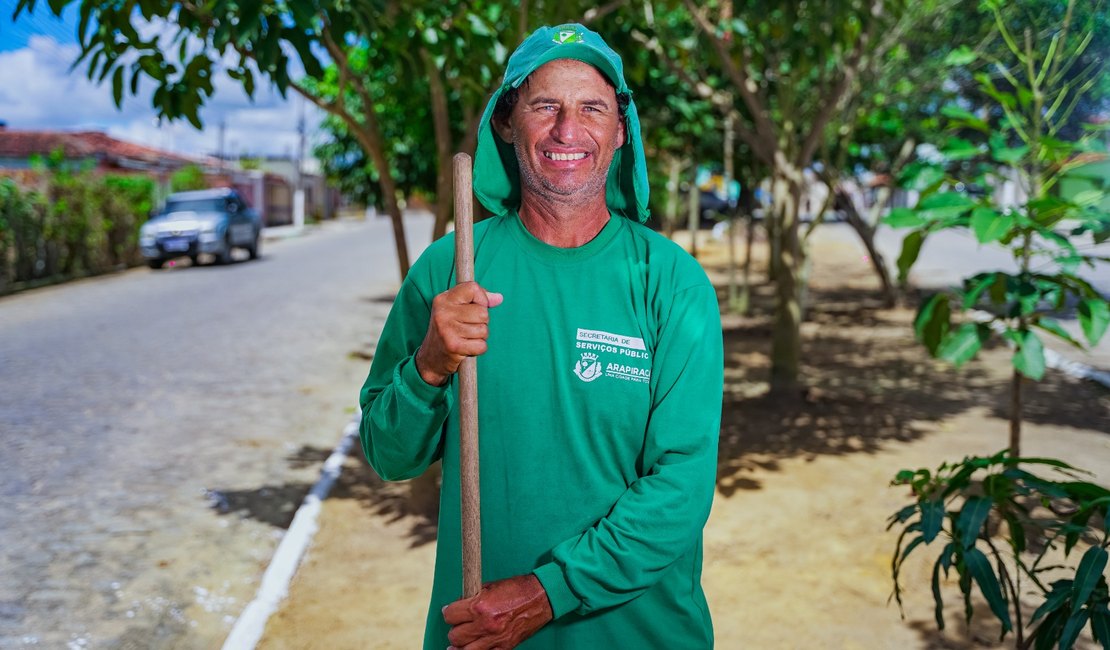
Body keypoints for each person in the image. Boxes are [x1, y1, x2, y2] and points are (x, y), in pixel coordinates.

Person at [359, 23, 724, 649]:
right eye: (544, 106)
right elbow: (388, 455)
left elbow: (681, 486)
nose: (567, 130)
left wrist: (547, 592)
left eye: (592, 109)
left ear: (618, 131)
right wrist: (428, 365)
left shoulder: (669, 282)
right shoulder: (451, 271)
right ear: (507, 122)